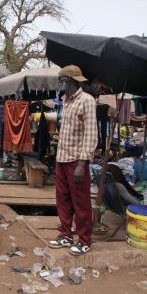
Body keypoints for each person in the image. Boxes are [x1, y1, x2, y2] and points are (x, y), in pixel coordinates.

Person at [48, 65, 98, 256]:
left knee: (81, 202)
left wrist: (82, 163)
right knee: (62, 199)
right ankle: (66, 234)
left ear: (68, 80)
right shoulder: (66, 101)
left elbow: (91, 134)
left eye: (60, 80)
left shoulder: (86, 100)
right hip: (62, 158)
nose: (59, 84)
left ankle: (85, 240)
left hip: (77, 161)